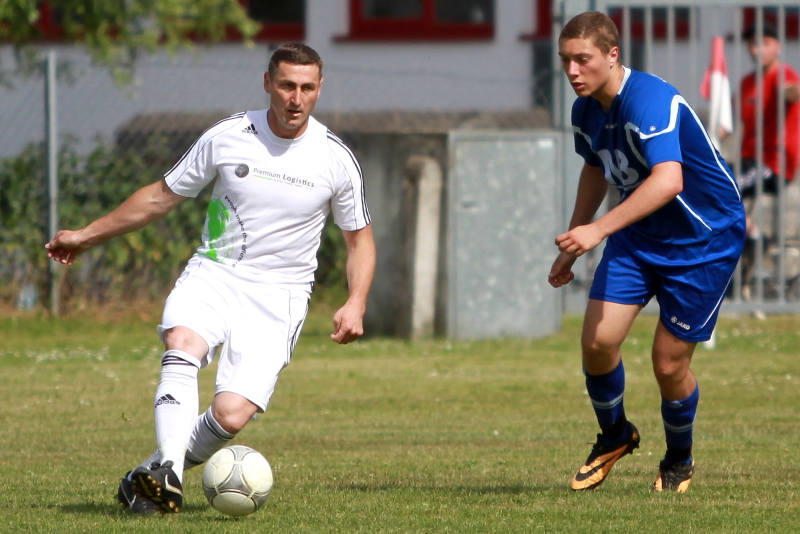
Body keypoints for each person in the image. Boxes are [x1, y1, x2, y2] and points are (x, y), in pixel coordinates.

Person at [45, 43, 376, 514]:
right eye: (286, 85)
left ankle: (149, 474)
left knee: (230, 415)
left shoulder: (335, 158)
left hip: (280, 296)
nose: (295, 99)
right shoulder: (228, 135)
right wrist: (86, 235)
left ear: (319, 89)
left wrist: (356, 301)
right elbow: (159, 197)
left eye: (306, 88)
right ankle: (169, 472)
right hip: (215, 272)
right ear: (267, 83)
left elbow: (360, 241)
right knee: (182, 343)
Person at [549, 12, 745, 493]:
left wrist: (597, 231)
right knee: (597, 343)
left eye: (582, 59)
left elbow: (669, 180)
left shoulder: (649, 99)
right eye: (565, 60)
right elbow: (595, 168)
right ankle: (615, 434)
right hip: (639, 236)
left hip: (703, 241)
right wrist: (574, 240)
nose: (572, 70)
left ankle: (679, 458)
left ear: (612, 55)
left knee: (668, 364)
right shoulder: (585, 110)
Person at [737, 22, 800, 200]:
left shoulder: (784, 74)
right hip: (747, 160)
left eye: (765, 43)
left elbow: (790, 90)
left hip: (774, 164)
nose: (759, 50)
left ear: (778, 47)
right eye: (753, 44)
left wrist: (791, 91)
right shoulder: (747, 82)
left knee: (728, 186)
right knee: (709, 179)